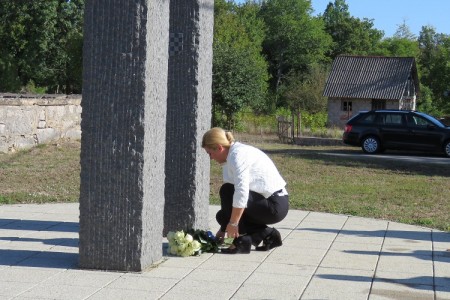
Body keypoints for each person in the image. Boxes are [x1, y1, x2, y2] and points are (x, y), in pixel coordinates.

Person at [202, 127, 289, 254]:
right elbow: (231, 203)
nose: (210, 157)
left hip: (275, 206)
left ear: (219, 148)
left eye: (210, 153)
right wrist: (223, 229)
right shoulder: (230, 155)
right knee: (222, 216)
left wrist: (232, 224)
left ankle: (241, 242)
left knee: (227, 192)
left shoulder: (238, 156)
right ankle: (269, 235)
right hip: (264, 203)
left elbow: (241, 192)